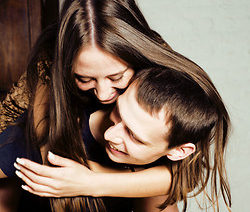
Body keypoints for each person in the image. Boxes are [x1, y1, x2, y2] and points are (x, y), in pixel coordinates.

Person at [0, 0, 231, 212]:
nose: (103, 94)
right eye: (85, 79)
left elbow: (186, 176)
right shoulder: (49, 69)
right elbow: (35, 146)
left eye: (117, 77)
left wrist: (91, 181)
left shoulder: (158, 70)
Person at [1, 67, 231, 212]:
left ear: (179, 151)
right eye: (118, 112)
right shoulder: (41, 134)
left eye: (134, 136)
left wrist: (91, 181)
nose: (110, 134)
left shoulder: (162, 167)